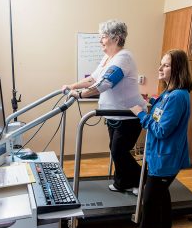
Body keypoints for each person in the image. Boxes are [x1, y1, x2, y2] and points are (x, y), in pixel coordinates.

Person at [62, 19, 146, 193]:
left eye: (103, 37)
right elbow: (93, 78)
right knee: (116, 150)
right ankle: (123, 182)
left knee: (119, 151)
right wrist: (72, 86)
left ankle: (142, 181)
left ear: (116, 38)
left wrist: (79, 95)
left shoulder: (124, 58)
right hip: (114, 115)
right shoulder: (108, 58)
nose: (100, 41)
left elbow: (106, 82)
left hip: (130, 115)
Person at [130, 49, 192, 228]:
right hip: (159, 156)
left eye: (165, 65)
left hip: (165, 158)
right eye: (161, 63)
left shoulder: (177, 96)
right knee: (162, 195)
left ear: (177, 69)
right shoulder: (168, 93)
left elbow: (162, 129)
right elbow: (161, 114)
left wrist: (141, 114)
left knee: (149, 203)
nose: (160, 68)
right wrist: (150, 102)